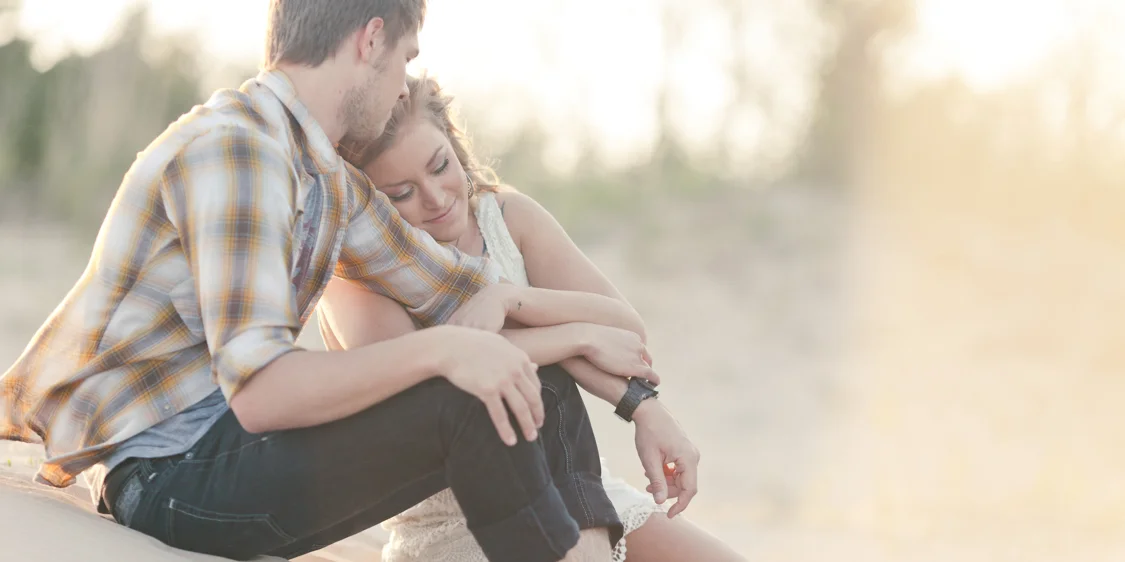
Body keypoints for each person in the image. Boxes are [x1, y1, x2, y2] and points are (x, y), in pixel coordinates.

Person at [0, 2, 626, 560]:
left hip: (237, 449)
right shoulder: (236, 149)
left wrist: (622, 388)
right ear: (370, 41)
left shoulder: (328, 181)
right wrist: (447, 349)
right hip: (167, 475)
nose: (404, 87)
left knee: (523, 382)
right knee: (474, 401)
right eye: (406, 60)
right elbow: (263, 391)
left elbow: (463, 294)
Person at [322, 74, 746, 561]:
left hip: (570, 483)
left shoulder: (506, 217)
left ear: (454, 145)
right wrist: (578, 338)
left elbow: (627, 332)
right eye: (401, 193)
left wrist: (509, 299)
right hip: (458, 518)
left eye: (440, 167)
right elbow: (428, 378)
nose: (436, 198)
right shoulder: (353, 278)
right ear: (368, 202)